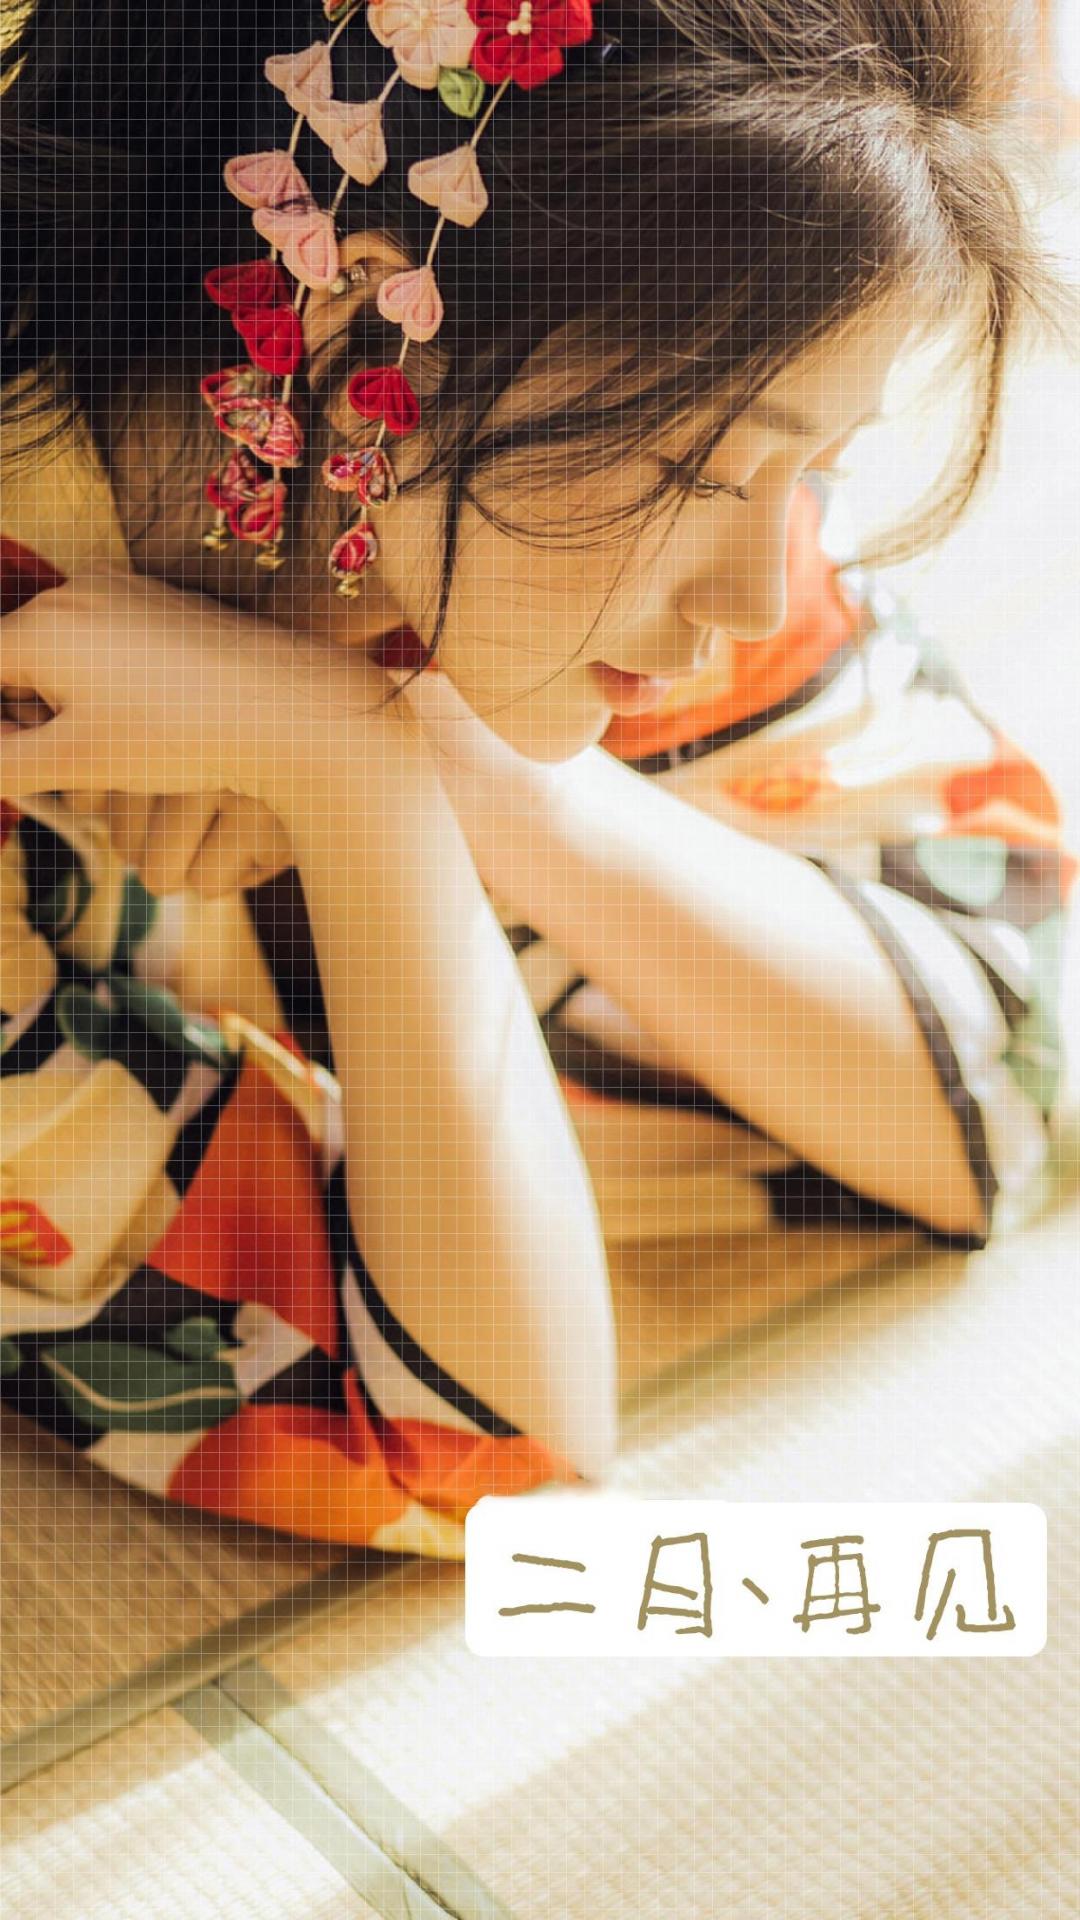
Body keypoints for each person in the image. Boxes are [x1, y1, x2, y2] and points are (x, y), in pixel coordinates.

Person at [1, 0, 1076, 1558]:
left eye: (812, 471)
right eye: (705, 471)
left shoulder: (514, 442)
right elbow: (497, 1454)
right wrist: (358, 779)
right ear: (360, 335)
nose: (755, 600)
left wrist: (399, 749)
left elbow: (1008, 1067)